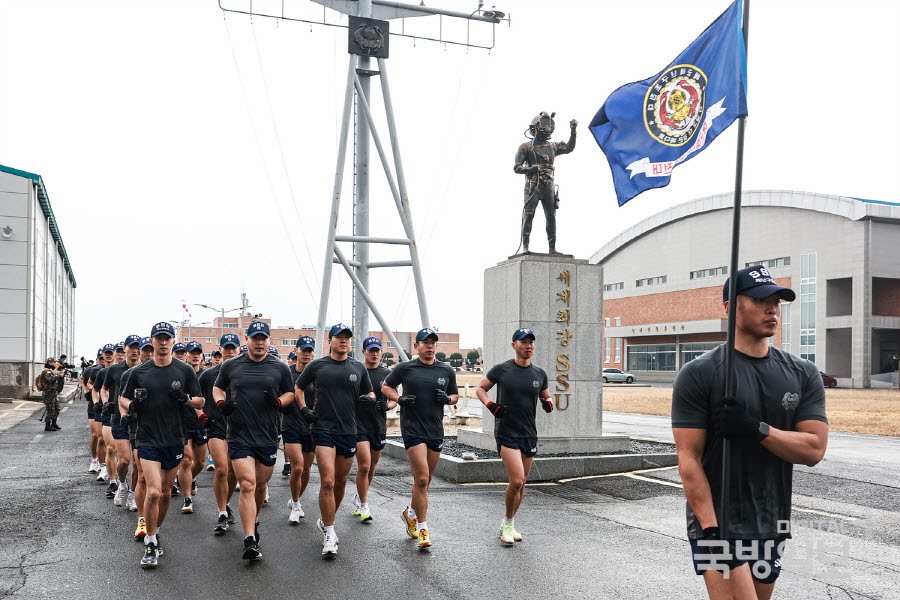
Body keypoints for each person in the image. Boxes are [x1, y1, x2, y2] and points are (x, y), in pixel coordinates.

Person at [672, 266, 828, 600]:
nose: (771, 308)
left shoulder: (802, 374)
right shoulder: (699, 374)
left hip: (771, 521)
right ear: (729, 307)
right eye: (759, 300)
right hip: (717, 521)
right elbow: (689, 458)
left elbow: (814, 449)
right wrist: (710, 530)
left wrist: (757, 429)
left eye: (776, 301)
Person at [120, 322, 203, 568]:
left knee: (166, 493)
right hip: (146, 437)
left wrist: (186, 399)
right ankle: (151, 541)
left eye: (167, 338)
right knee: (154, 491)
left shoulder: (185, 370)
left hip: (174, 438)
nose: (164, 342)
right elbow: (123, 398)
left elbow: (199, 401)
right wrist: (131, 406)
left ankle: (156, 531)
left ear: (173, 340)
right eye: (159, 338)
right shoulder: (139, 372)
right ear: (153, 341)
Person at [213, 321, 295, 561]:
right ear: (246, 339)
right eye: (255, 338)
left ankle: (253, 521)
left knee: (260, 485)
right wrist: (221, 403)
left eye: (264, 338)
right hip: (238, 434)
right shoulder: (231, 365)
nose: (259, 342)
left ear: (269, 341)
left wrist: (279, 402)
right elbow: (218, 389)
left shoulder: (279, 367)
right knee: (247, 484)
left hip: (268, 435)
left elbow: (290, 393)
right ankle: (249, 538)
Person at [295, 324, 374, 558]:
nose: (343, 341)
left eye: (347, 338)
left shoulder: (358, 368)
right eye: (338, 337)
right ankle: (330, 532)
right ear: (329, 341)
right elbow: (299, 388)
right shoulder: (317, 365)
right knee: (327, 481)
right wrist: (304, 409)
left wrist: (370, 400)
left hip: (348, 430)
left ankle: (327, 519)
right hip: (322, 429)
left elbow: (369, 393)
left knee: (340, 482)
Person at [382, 328, 458, 550]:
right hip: (412, 429)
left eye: (433, 342)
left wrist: (448, 399)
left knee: (425, 481)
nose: (430, 346)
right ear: (416, 347)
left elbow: (454, 395)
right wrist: (400, 399)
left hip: (435, 430)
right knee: (422, 478)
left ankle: (411, 513)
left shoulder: (446, 370)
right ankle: (423, 527)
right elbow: (385, 386)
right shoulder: (406, 368)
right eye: (425, 342)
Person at [475, 328, 552, 545]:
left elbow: (546, 396)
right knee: (516, 480)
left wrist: (548, 403)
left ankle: (509, 522)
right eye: (523, 342)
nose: (528, 346)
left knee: (522, 483)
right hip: (507, 432)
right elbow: (480, 389)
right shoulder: (502, 369)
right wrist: (491, 405)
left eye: (531, 342)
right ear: (514, 345)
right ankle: (507, 525)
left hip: (529, 433)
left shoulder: (539, 373)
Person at [513, 112, 577, 254]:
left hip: (548, 184)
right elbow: (517, 167)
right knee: (529, 214)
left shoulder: (553, 146)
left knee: (551, 216)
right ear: (535, 128)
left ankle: (552, 248)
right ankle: (525, 247)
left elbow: (569, 148)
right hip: (533, 184)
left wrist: (573, 131)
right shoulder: (526, 147)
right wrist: (530, 168)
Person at [198, 333, 241, 533]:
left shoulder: (246, 372)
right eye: (227, 348)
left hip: (240, 428)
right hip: (216, 426)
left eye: (234, 347)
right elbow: (197, 400)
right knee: (222, 468)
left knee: (233, 472)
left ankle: (227, 502)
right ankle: (222, 511)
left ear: (240, 349)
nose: (230, 351)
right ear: (220, 350)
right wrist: (201, 416)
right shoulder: (208, 375)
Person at [351, 336, 393, 523]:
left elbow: (394, 397)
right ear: (364, 352)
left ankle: (360, 497)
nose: (374, 353)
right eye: (371, 350)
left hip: (378, 425)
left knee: (372, 466)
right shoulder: (357, 371)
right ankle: (364, 505)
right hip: (359, 425)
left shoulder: (387, 373)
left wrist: (388, 406)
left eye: (377, 350)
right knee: (365, 465)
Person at [103, 335, 143, 508]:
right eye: (131, 347)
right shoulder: (114, 370)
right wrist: (105, 403)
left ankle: (133, 493)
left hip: (140, 420)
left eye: (138, 347)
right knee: (125, 460)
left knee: (137, 462)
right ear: (124, 349)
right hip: (119, 419)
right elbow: (104, 389)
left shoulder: (146, 369)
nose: (135, 350)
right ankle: (122, 484)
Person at [282, 337, 318, 524]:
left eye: (309, 351)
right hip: (291, 425)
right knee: (297, 467)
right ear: (296, 350)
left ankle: (296, 499)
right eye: (303, 350)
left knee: (306, 469)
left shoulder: (317, 373)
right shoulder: (287, 373)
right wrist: (282, 406)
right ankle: (296, 505)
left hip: (312, 427)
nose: (306, 354)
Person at [177, 340, 208, 514]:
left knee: (200, 462)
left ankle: (188, 480)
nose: (195, 355)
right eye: (192, 352)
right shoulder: (180, 374)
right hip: (182, 423)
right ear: (186, 355)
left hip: (201, 423)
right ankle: (187, 498)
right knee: (186, 460)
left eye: (198, 352)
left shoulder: (207, 375)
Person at [91, 343, 117, 485]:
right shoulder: (100, 372)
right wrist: (96, 403)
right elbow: (94, 388)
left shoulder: (126, 370)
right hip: (106, 411)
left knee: (123, 451)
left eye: (111, 352)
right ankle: (103, 467)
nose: (108, 354)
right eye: (106, 352)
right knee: (102, 440)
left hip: (123, 412)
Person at [82, 350, 104, 473]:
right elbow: (83, 380)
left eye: (104, 358)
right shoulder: (92, 370)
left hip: (108, 406)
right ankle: (94, 460)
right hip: (94, 405)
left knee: (104, 438)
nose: (102, 360)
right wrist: (88, 391)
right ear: (97, 359)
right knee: (95, 435)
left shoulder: (113, 369)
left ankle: (104, 463)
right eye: (100, 358)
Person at [39, 357, 64, 432]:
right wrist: (59, 376)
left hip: (53, 392)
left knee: (56, 408)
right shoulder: (46, 371)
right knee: (50, 409)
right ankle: (47, 425)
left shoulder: (51, 371)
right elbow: (50, 379)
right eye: (54, 362)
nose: (55, 364)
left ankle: (54, 423)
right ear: (50, 363)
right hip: (48, 393)